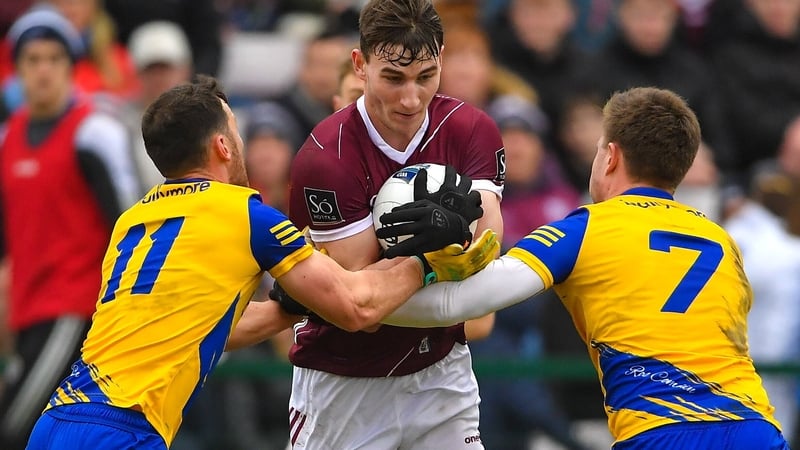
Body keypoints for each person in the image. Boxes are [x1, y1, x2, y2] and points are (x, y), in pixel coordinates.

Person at [24, 75, 498, 450]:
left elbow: (208, 327)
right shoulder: (244, 214)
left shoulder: (132, 221)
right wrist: (429, 263)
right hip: (121, 428)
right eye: (234, 128)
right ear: (223, 146)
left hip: (57, 420)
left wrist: (291, 308)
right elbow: (356, 307)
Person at [379, 86, 790, 449]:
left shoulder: (587, 227)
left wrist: (343, 299)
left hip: (664, 431)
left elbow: (459, 303)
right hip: (756, 428)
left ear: (609, 157)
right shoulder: (722, 239)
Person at [284, 0, 504, 448]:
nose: (411, 98)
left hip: (441, 370)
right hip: (344, 379)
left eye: (426, 77)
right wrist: (434, 253)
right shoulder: (325, 159)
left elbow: (488, 246)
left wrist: (461, 239)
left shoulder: (471, 129)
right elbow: (360, 309)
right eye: (393, 77)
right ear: (360, 64)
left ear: (441, 58)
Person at [0, 7, 140, 449]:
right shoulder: (7, 138)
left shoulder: (95, 132)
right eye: (33, 60)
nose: (43, 71)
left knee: (15, 429)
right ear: (18, 68)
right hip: (26, 310)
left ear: (72, 66)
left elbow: (130, 225)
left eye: (54, 59)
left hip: (75, 309)